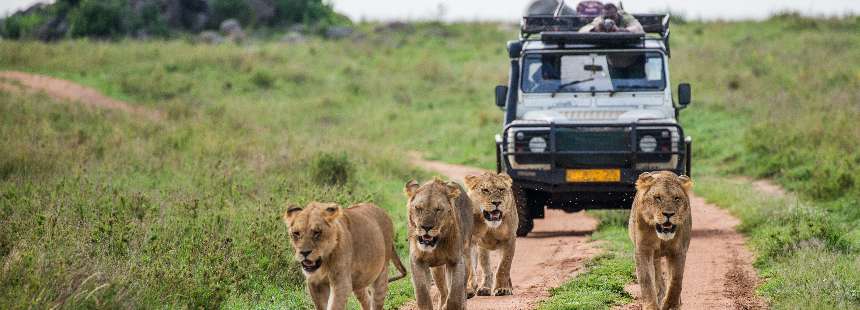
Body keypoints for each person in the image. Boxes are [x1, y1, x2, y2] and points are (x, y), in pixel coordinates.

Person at [578, 3, 644, 33]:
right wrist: (595, 29)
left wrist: (619, 30)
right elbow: (582, 31)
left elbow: (638, 28)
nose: (609, 19)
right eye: (606, 17)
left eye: (612, 17)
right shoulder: (600, 19)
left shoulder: (625, 17)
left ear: (617, 14)